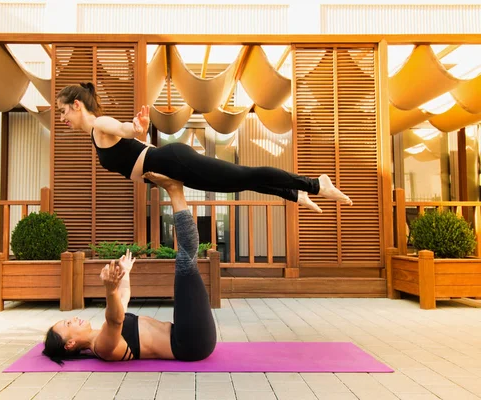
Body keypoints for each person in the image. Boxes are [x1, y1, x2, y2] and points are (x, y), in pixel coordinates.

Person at [56, 82, 353, 214]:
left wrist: (134, 127)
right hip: (170, 167)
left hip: (174, 161)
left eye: (63, 111)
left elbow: (123, 129)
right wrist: (139, 134)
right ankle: (295, 193)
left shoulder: (99, 125)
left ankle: (315, 183)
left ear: (77, 105)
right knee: (241, 180)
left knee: (243, 174)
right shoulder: (95, 133)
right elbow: (136, 145)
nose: (62, 118)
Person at [42, 172, 217, 364]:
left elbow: (122, 300)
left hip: (184, 334)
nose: (74, 318)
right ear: (70, 344)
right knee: (185, 260)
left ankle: (175, 189)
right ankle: (175, 189)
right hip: (190, 343)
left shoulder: (103, 333)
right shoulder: (103, 347)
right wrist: (110, 290)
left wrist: (124, 273)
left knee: (185, 260)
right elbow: (115, 319)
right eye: (68, 324)